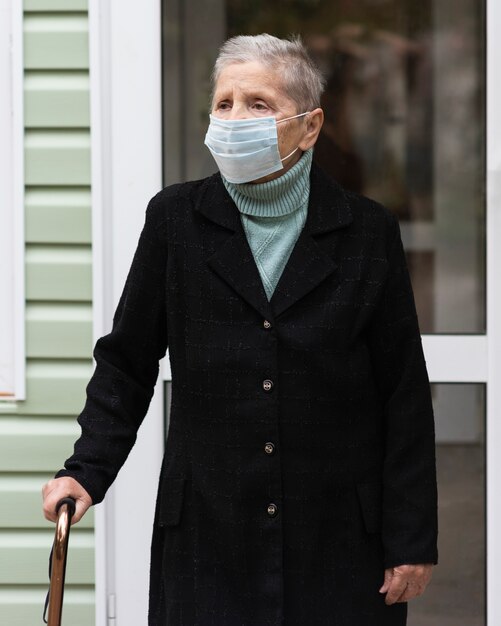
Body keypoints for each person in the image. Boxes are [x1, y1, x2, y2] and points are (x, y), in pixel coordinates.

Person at [42, 33, 438, 626]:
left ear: (309, 127)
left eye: (258, 104)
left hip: (337, 540)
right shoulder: (175, 220)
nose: (234, 118)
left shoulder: (366, 232)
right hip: (208, 533)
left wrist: (410, 537)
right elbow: (127, 360)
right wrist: (86, 469)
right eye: (223, 103)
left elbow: (402, 392)